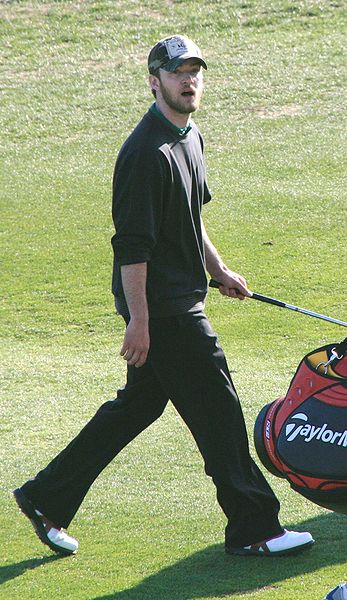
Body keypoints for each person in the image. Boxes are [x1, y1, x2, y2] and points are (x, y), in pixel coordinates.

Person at [14, 34, 314, 558]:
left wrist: (221, 271)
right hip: (167, 312)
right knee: (220, 415)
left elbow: (191, 217)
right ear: (155, 81)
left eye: (195, 71)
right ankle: (255, 529)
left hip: (178, 300)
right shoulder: (144, 153)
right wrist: (139, 321)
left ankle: (46, 497)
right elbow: (132, 246)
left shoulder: (189, 136)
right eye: (178, 72)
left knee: (136, 409)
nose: (189, 80)